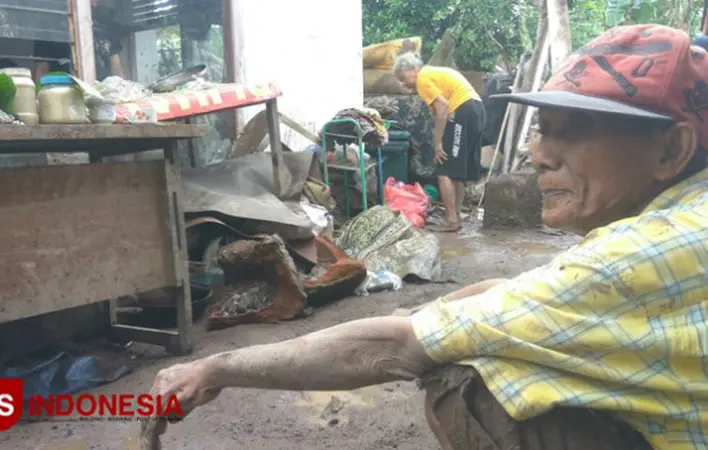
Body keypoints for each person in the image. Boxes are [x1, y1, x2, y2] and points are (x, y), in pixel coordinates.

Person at [142, 24, 708, 450]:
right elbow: (518, 290)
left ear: (670, 150)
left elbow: (396, 348)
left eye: (575, 132)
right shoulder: (679, 222)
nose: (539, 155)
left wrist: (213, 369)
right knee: (493, 332)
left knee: (464, 379)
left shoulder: (627, 258)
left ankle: (456, 221)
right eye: (543, 131)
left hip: (458, 122)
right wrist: (442, 315)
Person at [392, 53, 485, 232]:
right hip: (476, 109)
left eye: (404, 78)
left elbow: (443, 108)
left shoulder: (423, 79)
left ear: (414, 69)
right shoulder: (432, 74)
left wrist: (437, 142)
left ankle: (451, 220)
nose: (404, 84)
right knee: (456, 171)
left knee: (444, 169)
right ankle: (455, 215)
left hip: (463, 110)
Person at [33, 0, 125, 83]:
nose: (94, 3)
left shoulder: (104, 28)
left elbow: (117, 69)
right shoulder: (50, 29)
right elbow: (41, 70)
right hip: (64, 95)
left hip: (101, 96)